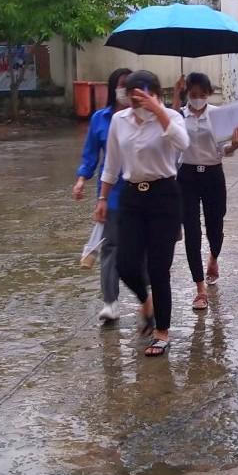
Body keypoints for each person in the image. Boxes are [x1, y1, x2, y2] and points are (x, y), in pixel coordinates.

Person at [95, 70, 189, 357]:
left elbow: (183, 143)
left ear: (155, 94)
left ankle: (161, 332)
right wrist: (102, 198)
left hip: (164, 196)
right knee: (125, 263)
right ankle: (145, 300)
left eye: (142, 97)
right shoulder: (118, 121)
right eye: (132, 97)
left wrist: (158, 111)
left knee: (159, 268)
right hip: (132, 195)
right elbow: (111, 164)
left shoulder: (170, 117)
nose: (136, 102)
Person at [73, 67, 156, 328]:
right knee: (110, 248)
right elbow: (92, 156)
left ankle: (146, 298)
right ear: (114, 88)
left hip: (141, 192)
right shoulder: (102, 119)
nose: (126, 91)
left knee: (140, 251)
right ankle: (110, 302)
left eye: (132, 87)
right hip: (111, 194)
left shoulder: (148, 118)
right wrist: (81, 180)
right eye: (122, 86)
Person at [172, 73, 238, 312]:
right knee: (192, 231)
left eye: (202, 95)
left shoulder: (217, 114)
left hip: (213, 174)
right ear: (187, 94)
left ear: (208, 94)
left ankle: (213, 257)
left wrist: (233, 145)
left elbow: (223, 147)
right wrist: (175, 96)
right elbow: (170, 134)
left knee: (215, 224)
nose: (198, 99)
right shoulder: (179, 114)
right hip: (187, 177)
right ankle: (200, 289)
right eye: (193, 95)